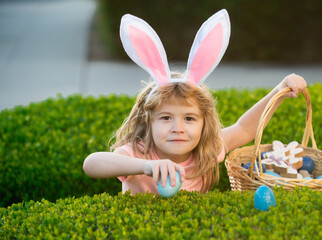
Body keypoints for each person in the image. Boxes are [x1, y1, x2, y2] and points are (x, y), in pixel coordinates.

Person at [83, 9, 307, 195]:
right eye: (165, 118)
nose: (177, 128)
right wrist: (147, 167)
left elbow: (244, 128)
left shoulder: (207, 150)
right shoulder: (140, 153)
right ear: (148, 121)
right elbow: (92, 163)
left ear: (203, 123)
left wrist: (279, 91)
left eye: (189, 118)